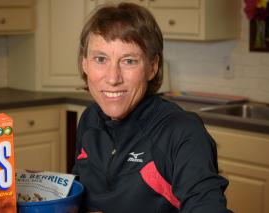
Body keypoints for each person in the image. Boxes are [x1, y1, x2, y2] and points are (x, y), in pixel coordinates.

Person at [73, 2, 232, 213]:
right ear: (85, 64)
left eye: (129, 61)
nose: (112, 78)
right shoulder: (90, 119)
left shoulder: (183, 133)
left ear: (152, 67)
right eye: (100, 59)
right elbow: (79, 193)